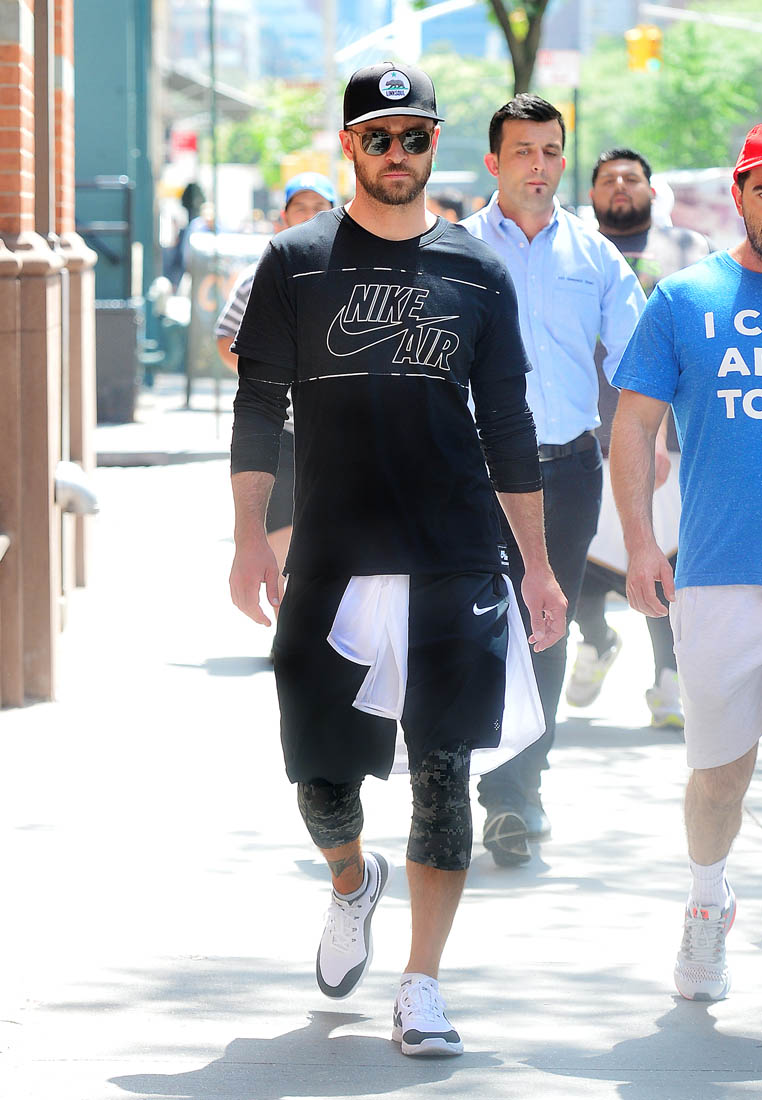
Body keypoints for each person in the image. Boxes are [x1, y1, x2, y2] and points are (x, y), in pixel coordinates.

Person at [228, 62, 566, 1056]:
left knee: (443, 772)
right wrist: (248, 537)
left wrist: (538, 565)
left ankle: (423, 983)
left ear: (434, 144)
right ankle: (351, 879)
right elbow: (259, 407)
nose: (396, 152)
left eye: (413, 135)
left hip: (455, 552)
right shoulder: (294, 261)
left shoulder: (477, 271)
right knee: (321, 778)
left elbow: (508, 423)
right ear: (350, 147)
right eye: (377, 136)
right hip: (332, 554)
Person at [461, 96, 645, 865]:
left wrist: (653, 443)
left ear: (562, 160)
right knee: (473, 629)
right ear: (494, 162)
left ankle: (516, 793)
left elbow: (641, 361)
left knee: (546, 623)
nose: (538, 165)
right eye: (522, 151)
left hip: (568, 470)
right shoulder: (455, 249)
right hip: (471, 475)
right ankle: (460, 780)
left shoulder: (594, 256)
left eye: (550, 151)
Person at [609, 124, 762, 1002]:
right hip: (719, 574)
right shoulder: (685, 297)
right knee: (719, 775)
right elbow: (633, 425)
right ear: (738, 195)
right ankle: (708, 901)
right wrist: (640, 543)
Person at [566, 148, 711, 726]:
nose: (620, 186)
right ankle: (597, 639)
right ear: (592, 192)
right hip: (585, 434)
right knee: (575, 555)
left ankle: (668, 678)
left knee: (663, 556)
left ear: (653, 189)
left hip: (670, 439)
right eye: (608, 179)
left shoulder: (688, 250)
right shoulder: (574, 250)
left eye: (632, 178)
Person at [216, 172, 337, 599]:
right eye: (300, 208)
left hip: (339, 433)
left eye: (320, 208)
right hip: (284, 431)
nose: (310, 216)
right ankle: (288, 620)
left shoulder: (347, 273)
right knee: (283, 535)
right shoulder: (262, 274)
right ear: (282, 217)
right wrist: (268, 377)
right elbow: (226, 338)